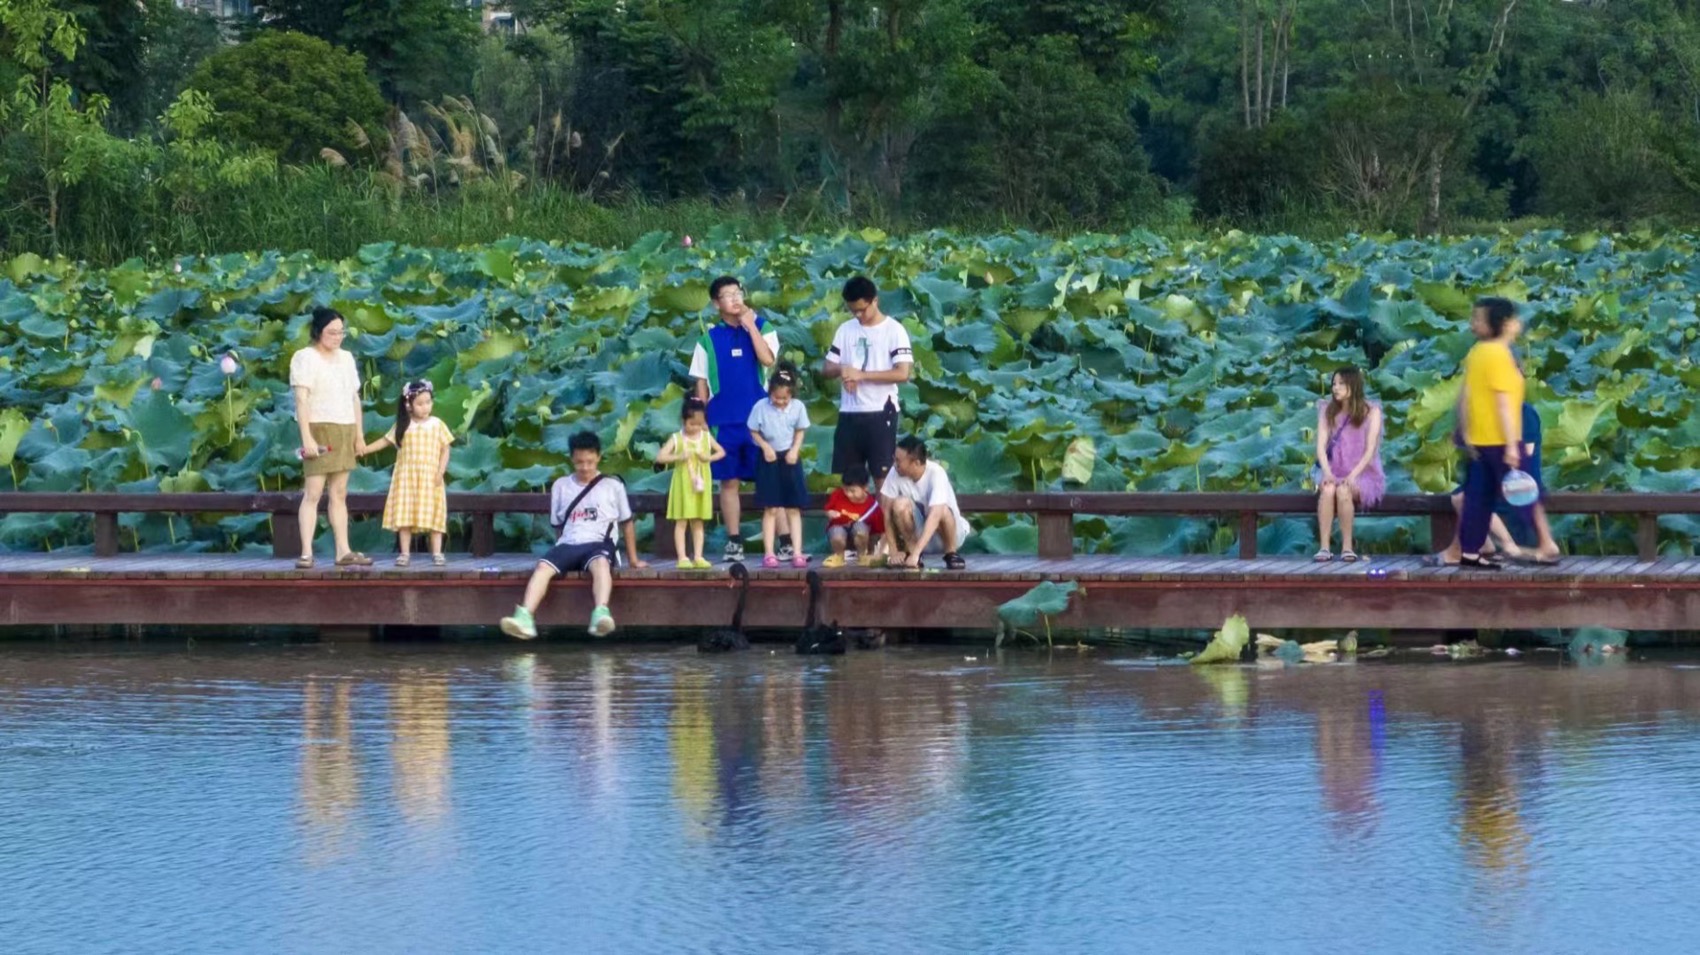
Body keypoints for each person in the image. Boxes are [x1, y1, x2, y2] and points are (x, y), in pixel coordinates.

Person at [499, 431, 648, 639]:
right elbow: (558, 526)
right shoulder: (561, 486)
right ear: (571, 459)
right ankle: (525, 617)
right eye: (579, 462)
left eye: (589, 461)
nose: (585, 467)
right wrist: (560, 548)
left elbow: (627, 523)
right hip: (569, 543)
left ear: (598, 457)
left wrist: (633, 559)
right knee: (543, 567)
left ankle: (601, 613)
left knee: (601, 565)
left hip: (599, 543)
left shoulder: (613, 486)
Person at [689, 275, 782, 563]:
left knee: (769, 481)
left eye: (737, 293)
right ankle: (733, 541)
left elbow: (767, 360)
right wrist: (701, 420)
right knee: (728, 483)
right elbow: (701, 385)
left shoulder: (764, 327)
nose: (735, 299)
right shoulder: (707, 340)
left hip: (760, 421)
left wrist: (750, 325)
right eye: (727, 295)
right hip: (722, 421)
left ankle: (786, 542)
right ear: (717, 303)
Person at [289, 306, 371, 568]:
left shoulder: (346, 358)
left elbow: (354, 397)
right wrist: (307, 438)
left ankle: (343, 550)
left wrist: (359, 435)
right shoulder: (305, 357)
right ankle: (306, 552)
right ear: (318, 332)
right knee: (313, 492)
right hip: (318, 426)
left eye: (340, 332)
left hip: (345, 425)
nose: (337, 337)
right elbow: (301, 400)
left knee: (340, 492)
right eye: (331, 332)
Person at [1455, 297, 1526, 570]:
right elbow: (1503, 403)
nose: (1473, 325)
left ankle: (1470, 552)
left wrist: (1464, 431)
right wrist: (1511, 446)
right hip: (1499, 438)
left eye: (1477, 319)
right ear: (1504, 324)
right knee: (1526, 494)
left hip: (1478, 439)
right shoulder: (1498, 354)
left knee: (1478, 498)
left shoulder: (1477, 352)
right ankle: (1537, 547)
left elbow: (1465, 396)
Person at [822, 276, 912, 484]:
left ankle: (884, 517)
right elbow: (826, 369)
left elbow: (902, 373)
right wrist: (844, 369)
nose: (858, 315)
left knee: (882, 478)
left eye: (862, 309)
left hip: (881, 412)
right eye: (853, 310)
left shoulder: (894, 331)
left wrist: (861, 375)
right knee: (850, 480)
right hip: (849, 413)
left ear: (875, 301)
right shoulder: (845, 329)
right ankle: (853, 518)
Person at [360, 380, 454, 566]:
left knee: (435, 514)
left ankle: (437, 553)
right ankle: (404, 553)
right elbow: (385, 441)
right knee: (405, 514)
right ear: (408, 405)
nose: (425, 407)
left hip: (430, 476)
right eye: (420, 404)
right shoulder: (403, 425)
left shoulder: (437, 424)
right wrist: (364, 449)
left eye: (428, 402)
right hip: (406, 477)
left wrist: (440, 470)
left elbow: (445, 448)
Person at [1313, 366, 1385, 563]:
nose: (1335, 388)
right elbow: (1320, 447)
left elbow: (1370, 450)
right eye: (1334, 384)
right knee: (1328, 490)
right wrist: (1327, 473)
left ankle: (1347, 547)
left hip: (1363, 473)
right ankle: (1324, 548)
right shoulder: (1327, 409)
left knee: (1343, 491)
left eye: (1341, 384)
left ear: (1354, 386)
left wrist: (1353, 476)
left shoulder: (1372, 411)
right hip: (1334, 469)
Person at [747, 365, 811, 568]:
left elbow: (800, 430)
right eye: (777, 398)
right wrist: (765, 446)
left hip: (790, 457)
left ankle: (797, 551)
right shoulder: (760, 407)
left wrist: (794, 450)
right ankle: (769, 553)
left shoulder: (798, 407)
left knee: (793, 508)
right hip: (769, 458)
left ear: (791, 395)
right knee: (770, 508)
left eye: (785, 399)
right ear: (770, 393)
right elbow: (753, 430)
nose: (781, 402)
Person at [656, 396, 727, 569]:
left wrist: (708, 457)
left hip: (700, 485)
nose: (695, 428)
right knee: (681, 521)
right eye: (691, 424)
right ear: (683, 421)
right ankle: (682, 557)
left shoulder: (705, 436)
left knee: (698, 521)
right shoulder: (676, 438)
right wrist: (678, 457)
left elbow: (721, 452)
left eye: (699, 424)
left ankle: (698, 556)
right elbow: (660, 457)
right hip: (683, 484)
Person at [880, 435, 969, 570]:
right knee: (899, 504)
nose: (895, 464)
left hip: (949, 534)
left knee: (942, 510)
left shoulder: (936, 473)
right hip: (919, 535)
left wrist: (915, 553)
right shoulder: (895, 472)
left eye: (899, 461)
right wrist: (893, 550)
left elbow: (935, 515)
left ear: (916, 463)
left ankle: (951, 554)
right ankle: (914, 553)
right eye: (894, 460)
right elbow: (886, 512)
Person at [822, 465, 886, 568]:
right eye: (845, 490)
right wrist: (830, 513)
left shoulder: (872, 506)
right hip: (839, 528)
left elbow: (878, 531)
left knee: (861, 529)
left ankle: (862, 556)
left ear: (865, 488)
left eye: (852, 491)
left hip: (861, 536)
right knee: (836, 533)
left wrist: (873, 550)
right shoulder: (837, 495)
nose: (848, 494)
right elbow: (828, 509)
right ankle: (839, 556)